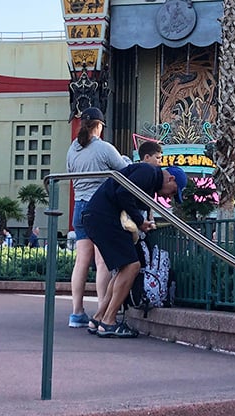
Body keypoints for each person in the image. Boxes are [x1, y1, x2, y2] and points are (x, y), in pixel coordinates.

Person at [81, 162, 179, 338]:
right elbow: (124, 192)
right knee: (133, 266)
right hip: (104, 218)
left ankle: (98, 317)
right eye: (173, 192)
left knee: (123, 269)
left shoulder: (148, 178)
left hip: (96, 217)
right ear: (171, 178)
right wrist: (140, 222)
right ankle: (109, 321)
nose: (169, 197)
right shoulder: (148, 172)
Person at [65, 106, 132, 329]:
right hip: (100, 209)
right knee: (102, 260)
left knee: (81, 261)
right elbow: (125, 170)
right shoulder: (104, 149)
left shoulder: (72, 150)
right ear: (100, 126)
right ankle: (102, 311)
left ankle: (77, 312)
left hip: (79, 209)